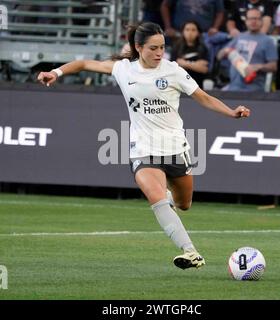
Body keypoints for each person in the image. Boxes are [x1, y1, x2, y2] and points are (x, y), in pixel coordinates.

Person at [37, 22, 250, 270]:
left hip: (175, 149)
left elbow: (203, 97)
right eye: (153, 48)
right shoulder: (123, 69)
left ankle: (172, 201)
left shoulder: (174, 71)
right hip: (143, 150)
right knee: (156, 197)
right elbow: (84, 63)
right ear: (138, 48)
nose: (159, 53)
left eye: (162, 47)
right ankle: (190, 251)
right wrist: (56, 72)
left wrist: (231, 112)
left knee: (183, 204)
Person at [218, 8, 278, 91]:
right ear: (246, 21)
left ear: (261, 21)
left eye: (256, 18)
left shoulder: (268, 41)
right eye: (250, 19)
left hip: (253, 88)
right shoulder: (239, 37)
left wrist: (257, 67)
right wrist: (225, 51)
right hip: (232, 86)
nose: (253, 21)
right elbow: (219, 56)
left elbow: (273, 66)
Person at [171, 21, 209, 88]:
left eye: (193, 30)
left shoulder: (203, 48)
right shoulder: (176, 47)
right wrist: (195, 64)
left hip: (197, 84)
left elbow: (204, 69)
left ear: (198, 33)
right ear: (183, 32)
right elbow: (173, 68)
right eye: (187, 30)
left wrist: (185, 63)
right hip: (180, 84)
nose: (190, 33)